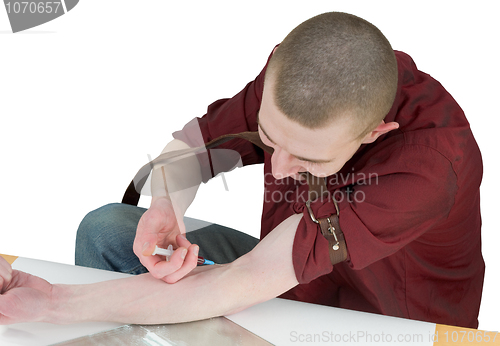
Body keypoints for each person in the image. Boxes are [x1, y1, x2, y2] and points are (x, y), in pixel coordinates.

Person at [0, 12, 484, 329]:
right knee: (107, 228)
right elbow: (191, 149)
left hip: (378, 324)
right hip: (290, 280)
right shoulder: (299, 80)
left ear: (375, 133)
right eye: (270, 140)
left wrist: (53, 304)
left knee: (182, 308)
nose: (277, 166)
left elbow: (248, 277)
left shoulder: (428, 167)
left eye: (309, 160)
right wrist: (167, 204)